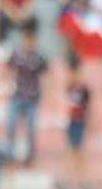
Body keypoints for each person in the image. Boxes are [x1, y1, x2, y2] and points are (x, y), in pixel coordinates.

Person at [5, 20, 47, 166]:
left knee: (31, 129)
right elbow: (8, 68)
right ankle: (10, 155)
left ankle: (30, 157)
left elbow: (47, 75)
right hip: (17, 95)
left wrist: (47, 95)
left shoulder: (39, 57)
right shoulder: (17, 54)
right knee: (11, 125)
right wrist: (8, 85)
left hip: (33, 98)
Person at [60, 54, 91, 189]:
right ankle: (69, 180)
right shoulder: (69, 87)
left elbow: (89, 107)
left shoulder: (83, 88)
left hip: (79, 122)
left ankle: (83, 180)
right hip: (71, 122)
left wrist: (91, 124)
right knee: (71, 151)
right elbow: (66, 105)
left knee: (78, 152)